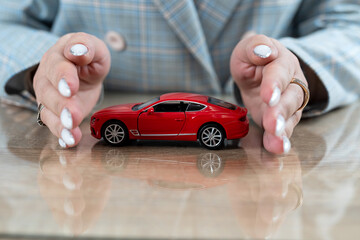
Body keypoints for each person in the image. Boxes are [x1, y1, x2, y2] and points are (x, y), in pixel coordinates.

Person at [0, 0, 359, 154]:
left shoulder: (131, 117)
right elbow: (7, 21)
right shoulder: (215, 115)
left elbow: (350, 24)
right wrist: (45, 71)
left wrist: (296, 72)